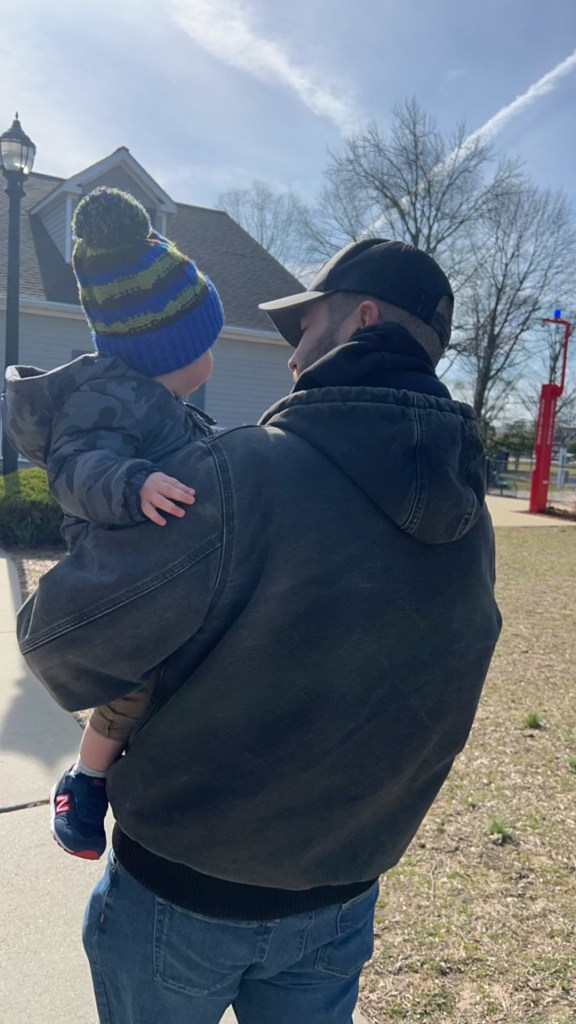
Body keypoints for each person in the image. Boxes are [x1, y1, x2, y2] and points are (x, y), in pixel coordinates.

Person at [17, 237, 502, 1024]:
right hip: (345, 891)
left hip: (183, 895)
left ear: (363, 318)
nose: (289, 356)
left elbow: (61, 644)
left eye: (302, 328)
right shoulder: (469, 514)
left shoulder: (240, 472)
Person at [3, 186, 223, 860]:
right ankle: (85, 776)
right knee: (130, 689)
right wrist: (133, 484)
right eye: (202, 345)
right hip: (116, 568)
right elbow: (73, 467)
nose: (211, 358)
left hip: (164, 566)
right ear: (162, 351)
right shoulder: (105, 396)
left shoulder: (163, 403)